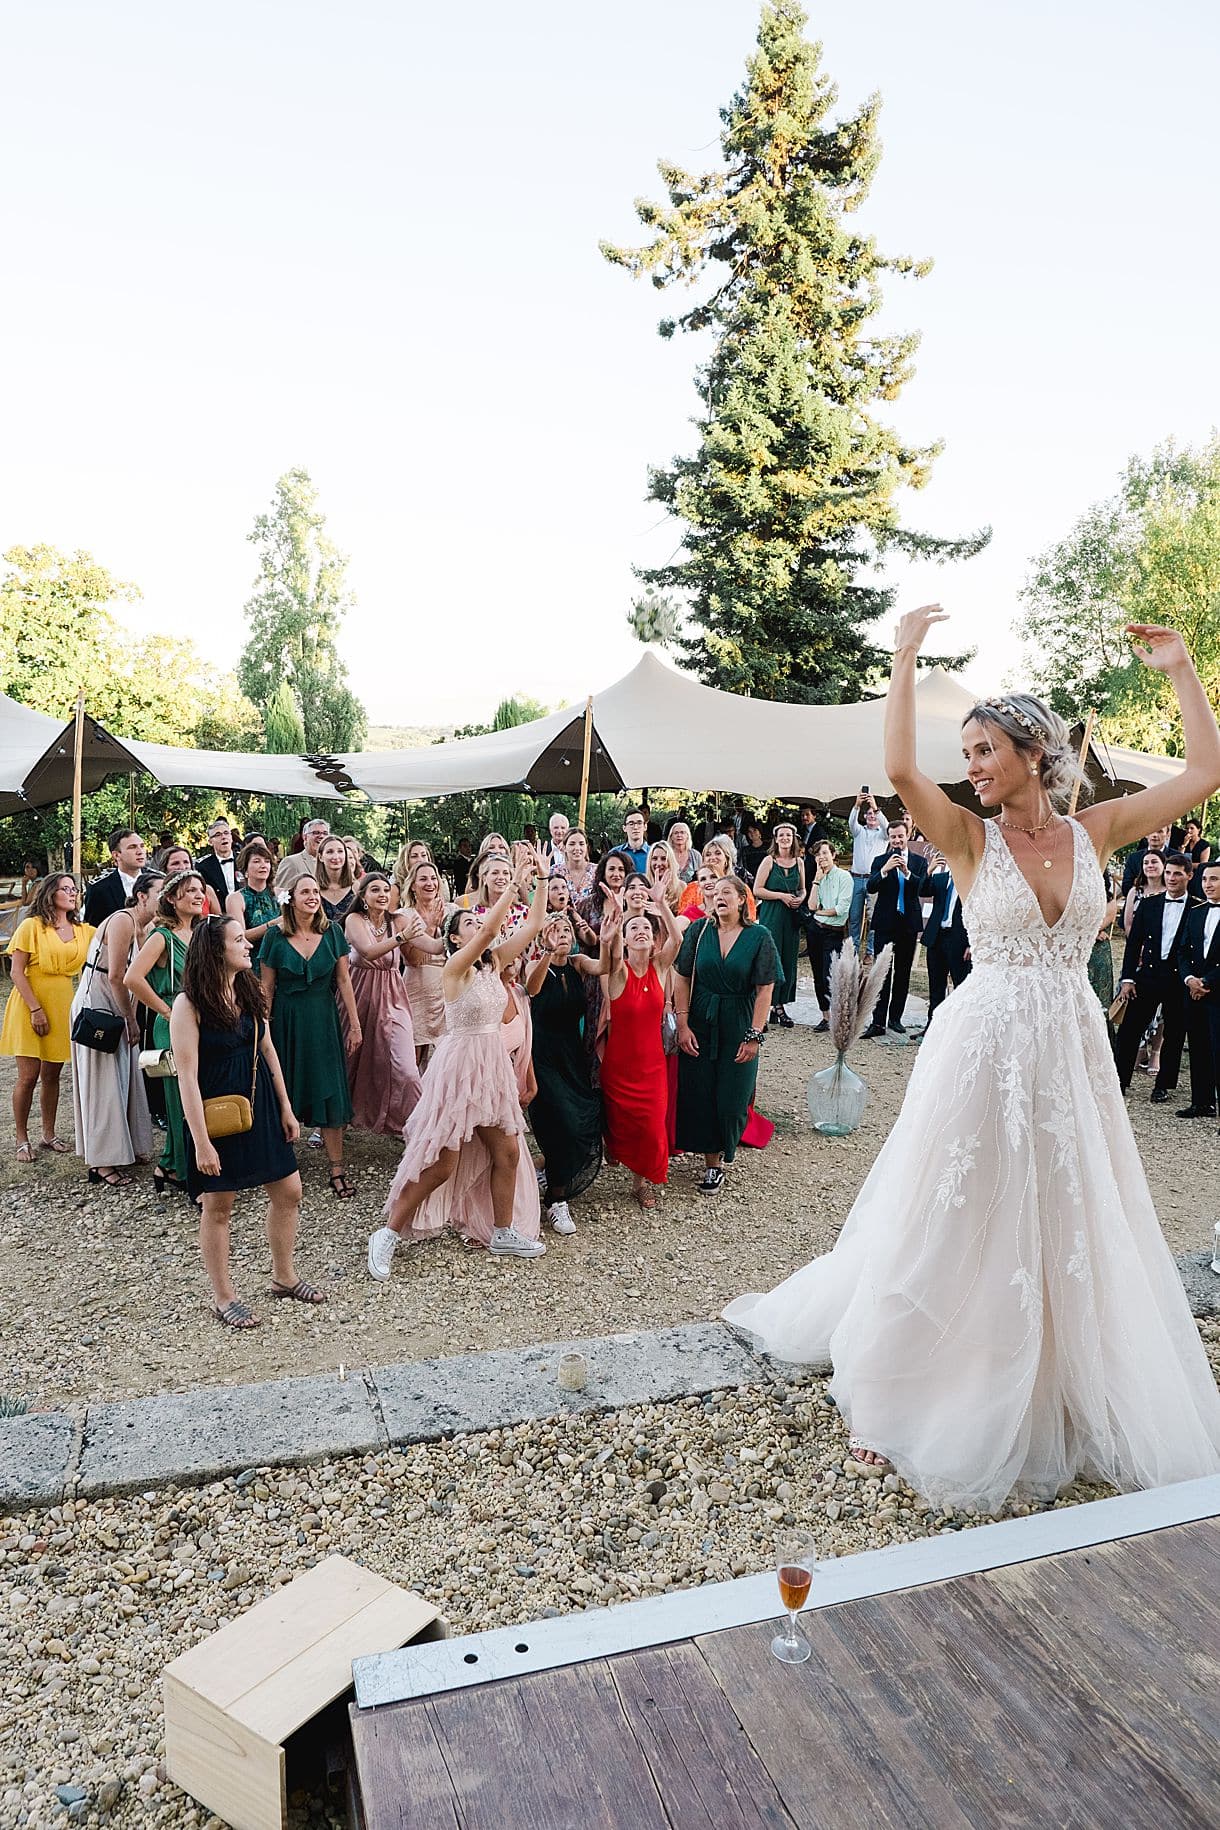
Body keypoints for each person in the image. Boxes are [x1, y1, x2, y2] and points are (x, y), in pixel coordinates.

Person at [724, 605, 1220, 1509]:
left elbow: (1206, 771)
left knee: (1063, 1210)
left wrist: (1183, 668)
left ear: (1033, 751)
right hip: (983, 1048)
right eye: (969, 754)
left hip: (1069, 1051)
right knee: (957, 1211)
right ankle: (903, 1386)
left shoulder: (1095, 831)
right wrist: (905, 656)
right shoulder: (965, 838)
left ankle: (1056, 1379)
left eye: (985, 750)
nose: (973, 768)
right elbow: (900, 767)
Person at [367, 855, 550, 1275]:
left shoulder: (497, 963)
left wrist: (539, 877)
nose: (477, 926)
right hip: (459, 1067)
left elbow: (535, 925)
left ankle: (502, 1230)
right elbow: (489, 928)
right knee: (441, 1163)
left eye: (475, 924)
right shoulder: (454, 968)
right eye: (466, 924)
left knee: (506, 1151)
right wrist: (511, 883)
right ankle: (388, 1233)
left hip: (491, 1065)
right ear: (453, 938)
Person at [172, 916, 322, 1329]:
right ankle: (223, 1296)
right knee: (219, 1204)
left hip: (261, 1108)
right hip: (215, 1115)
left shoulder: (249, 989)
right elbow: (186, 1075)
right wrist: (201, 1142)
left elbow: (268, 1049)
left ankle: (284, 1276)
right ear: (216, 950)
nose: (248, 945)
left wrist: (287, 1107)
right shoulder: (189, 1004)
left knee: (290, 1190)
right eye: (239, 940)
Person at [673, 877, 779, 1194]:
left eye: (726, 893)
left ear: (742, 900)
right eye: (715, 893)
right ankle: (712, 1164)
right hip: (701, 1020)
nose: (719, 898)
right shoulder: (699, 930)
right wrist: (682, 1025)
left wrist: (754, 1035)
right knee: (701, 1091)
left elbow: (765, 991)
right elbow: (680, 978)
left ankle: (726, 1148)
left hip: (739, 1021)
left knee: (733, 1095)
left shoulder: (759, 937)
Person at [259, 875, 361, 1197]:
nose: (313, 896)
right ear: (290, 898)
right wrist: (262, 1031)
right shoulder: (274, 936)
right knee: (282, 1087)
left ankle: (337, 1168)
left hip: (323, 1019)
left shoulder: (333, 932)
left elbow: (344, 981)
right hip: (285, 1021)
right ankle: (280, 1164)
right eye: (305, 891)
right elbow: (267, 989)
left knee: (329, 1087)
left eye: (316, 891)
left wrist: (355, 1025)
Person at [71, 868, 163, 1186]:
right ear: (141, 896)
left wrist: (132, 1016)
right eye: (160, 894)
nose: (165, 899)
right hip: (99, 1001)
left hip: (118, 1001)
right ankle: (102, 1162)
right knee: (103, 1082)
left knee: (126, 1074)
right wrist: (129, 1019)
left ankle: (128, 1147)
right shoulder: (122, 920)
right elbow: (116, 976)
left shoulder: (145, 925)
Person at [598, 883, 684, 1207]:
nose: (641, 931)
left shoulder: (660, 967)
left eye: (646, 928)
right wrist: (617, 922)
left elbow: (677, 939)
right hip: (619, 1065)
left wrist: (661, 904)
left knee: (651, 1126)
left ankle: (641, 1182)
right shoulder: (618, 973)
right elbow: (612, 955)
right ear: (626, 935)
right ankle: (615, 1147)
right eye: (634, 928)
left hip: (652, 1065)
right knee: (620, 1122)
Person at [125, 869, 207, 1194]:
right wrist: (166, 1010)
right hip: (173, 1020)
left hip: (203, 1020)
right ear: (172, 898)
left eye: (200, 890)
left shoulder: (203, 932)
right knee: (179, 1097)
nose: (198, 896)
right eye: (190, 891)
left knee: (200, 1092)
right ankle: (188, 1174)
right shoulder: (162, 936)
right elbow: (132, 978)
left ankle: (171, 1163)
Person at [525, 910, 608, 1232]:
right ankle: (556, 1200)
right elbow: (532, 990)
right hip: (542, 1056)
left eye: (565, 928)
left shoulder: (577, 964)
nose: (561, 933)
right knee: (562, 1123)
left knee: (584, 1119)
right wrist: (547, 952)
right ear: (542, 936)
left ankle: (549, 1174)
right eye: (554, 929)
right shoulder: (534, 964)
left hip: (572, 1055)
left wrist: (611, 933)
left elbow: (606, 967)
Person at [3, 873, 94, 1163]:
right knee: (28, 1076)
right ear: (50, 893)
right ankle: (21, 1137)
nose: (72, 893)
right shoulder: (32, 926)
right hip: (31, 1002)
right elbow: (16, 971)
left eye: (74, 889)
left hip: (63, 1002)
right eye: (65, 888)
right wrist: (35, 1009)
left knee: (53, 1075)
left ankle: (48, 1133)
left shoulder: (82, 930)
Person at [342, 873, 424, 1136]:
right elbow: (367, 951)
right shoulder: (354, 920)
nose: (382, 894)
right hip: (357, 996)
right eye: (375, 890)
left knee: (408, 1069)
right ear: (363, 897)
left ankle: (417, 1127)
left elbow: (431, 946)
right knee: (347, 1062)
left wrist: (453, 937)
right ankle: (332, 1122)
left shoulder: (399, 920)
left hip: (392, 997)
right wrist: (402, 938)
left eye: (386, 890)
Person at [1113, 851, 1198, 1100]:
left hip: (1178, 979)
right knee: (1130, 1030)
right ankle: (1119, 1081)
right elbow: (1133, 944)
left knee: (1174, 1033)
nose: (1171, 878)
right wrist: (1127, 978)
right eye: (1168, 873)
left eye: (1177, 874)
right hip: (1147, 976)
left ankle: (1163, 1085)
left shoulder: (1196, 907)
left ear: (1189, 876)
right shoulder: (1149, 905)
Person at [861, 819, 928, 1036]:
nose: (897, 840)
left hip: (908, 924)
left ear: (907, 835)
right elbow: (870, 886)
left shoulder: (919, 861)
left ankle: (895, 1019)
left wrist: (907, 872)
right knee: (882, 972)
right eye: (893, 837)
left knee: (902, 973)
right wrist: (884, 870)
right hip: (885, 924)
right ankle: (877, 1022)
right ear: (889, 838)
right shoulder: (880, 860)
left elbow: (922, 887)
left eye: (900, 836)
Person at [1176, 860, 1220, 1119]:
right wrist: (1190, 978)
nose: (1207, 884)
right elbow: (1183, 949)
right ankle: (1201, 1102)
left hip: (1218, 992)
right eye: (1204, 880)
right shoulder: (1197, 911)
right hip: (1194, 990)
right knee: (1199, 1046)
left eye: (1214, 879)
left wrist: (1207, 982)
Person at [753, 822, 806, 1028]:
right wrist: (781, 896)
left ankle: (780, 1005)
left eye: (788, 835)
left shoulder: (799, 862)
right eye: (781, 835)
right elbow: (757, 889)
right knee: (770, 959)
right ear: (776, 839)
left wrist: (800, 899)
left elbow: (802, 889)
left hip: (791, 917)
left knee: (787, 959)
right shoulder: (769, 861)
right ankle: (766, 1007)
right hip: (772, 914)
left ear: (793, 838)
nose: (785, 838)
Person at [401, 859, 451, 1066]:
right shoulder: (404, 916)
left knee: (445, 1056)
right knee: (414, 1056)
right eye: (423, 879)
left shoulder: (451, 910)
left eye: (433, 878)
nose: (429, 883)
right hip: (417, 986)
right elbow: (412, 959)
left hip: (446, 988)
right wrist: (430, 927)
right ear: (413, 885)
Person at [805, 839, 852, 1032]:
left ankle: (837, 1016)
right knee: (817, 974)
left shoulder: (844, 877)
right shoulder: (818, 878)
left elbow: (841, 909)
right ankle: (825, 1016)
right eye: (818, 855)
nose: (821, 857)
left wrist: (821, 911)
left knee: (829, 975)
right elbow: (811, 905)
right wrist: (816, 881)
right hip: (816, 929)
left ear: (833, 854)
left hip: (834, 932)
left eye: (825, 853)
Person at [920, 849, 971, 1027]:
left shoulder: (970, 883)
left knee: (961, 986)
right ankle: (932, 1027)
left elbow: (977, 914)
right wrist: (929, 870)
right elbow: (922, 890)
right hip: (936, 938)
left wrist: (972, 944)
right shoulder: (941, 879)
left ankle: (958, 1028)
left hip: (958, 940)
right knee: (936, 987)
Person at [846, 791, 889, 950]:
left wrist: (874, 806)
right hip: (856, 878)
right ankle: (854, 949)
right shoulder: (858, 832)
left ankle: (871, 949)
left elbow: (886, 825)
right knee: (855, 917)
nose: (872, 816)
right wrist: (857, 804)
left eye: (874, 814)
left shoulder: (884, 835)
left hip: (874, 879)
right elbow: (851, 822)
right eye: (869, 814)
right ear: (864, 816)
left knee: (873, 917)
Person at [227, 842, 280, 968]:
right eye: (257, 861)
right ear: (245, 869)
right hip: (254, 960)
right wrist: (272, 924)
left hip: (281, 957)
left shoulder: (281, 893)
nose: (263, 865)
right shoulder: (235, 898)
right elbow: (240, 936)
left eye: (267, 861)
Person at [83, 829, 148, 925]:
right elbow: (94, 928)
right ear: (116, 855)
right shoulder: (99, 888)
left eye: (142, 846)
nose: (140, 851)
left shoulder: (158, 880)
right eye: (132, 847)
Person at [154, 846, 222, 915]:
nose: (183, 867)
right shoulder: (159, 894)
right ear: (165, 868)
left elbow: (219, 921)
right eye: (175, 863)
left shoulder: (207, 890)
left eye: (186, 862)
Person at [274, 818, 330, 898]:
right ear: (305, 837)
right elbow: (281, 896)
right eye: (316, 833)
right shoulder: (291, 862)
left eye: (325, 833)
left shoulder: (331, 863)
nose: (321, 836)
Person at [195, 818, 240, 908]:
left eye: (226, 833)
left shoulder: (244, 859)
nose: (223, 837)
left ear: (231, 837)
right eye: (218, 835)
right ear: (210, 842)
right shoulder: (203, 866)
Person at [1120, 824, 1173, 897]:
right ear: (1146, 834)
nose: (1154, 835)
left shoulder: (1176, 857)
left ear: (1168, 835)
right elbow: (1126, 888)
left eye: (1160, 831)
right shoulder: (1134, 858)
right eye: (1151, 831)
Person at [1122, 848, 1165, 935]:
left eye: (1154, 862)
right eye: (1146, 863)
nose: (1149, 865)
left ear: (1164, 865)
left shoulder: (1171, 893)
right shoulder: (1134, 892)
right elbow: (1128, 924)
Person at [315, 836, 356, 924]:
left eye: (340, 851)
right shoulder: (313, 888)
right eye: (330, 852)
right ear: (320, 857)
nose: (336, 856)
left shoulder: (357, 887)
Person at [561, 827, 597, 899]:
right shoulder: (555, 871)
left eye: (581, 844)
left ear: (586, 847)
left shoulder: (597, 871)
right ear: (564, 847)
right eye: (572, 844)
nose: (577, 848)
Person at [614, 809, 650, 875]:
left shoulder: (653, 854)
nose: (635, 827)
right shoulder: (614, 853)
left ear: (645, 826)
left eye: (639, 823)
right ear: (624, 828)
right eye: (631, 823)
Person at [738, 820, 768, 884]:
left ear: (760, 832)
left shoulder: (768, 848)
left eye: (754, 830)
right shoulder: (745, 850)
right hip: (751, 881)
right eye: (749, 831)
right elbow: (745, 867)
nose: (752, 833)